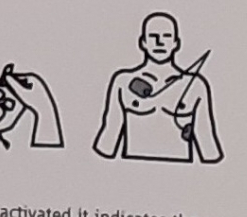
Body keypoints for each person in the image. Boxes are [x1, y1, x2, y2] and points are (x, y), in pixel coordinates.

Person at [93, 12, 221, 162]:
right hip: (131, 170)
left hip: (179, 173)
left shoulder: (195, 86)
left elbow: (208, 145)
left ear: (176, 43)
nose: (160, 42)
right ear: (143, 42)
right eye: (153, 36)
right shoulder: (123, 82)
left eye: (166, 36)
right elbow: (107, 143)